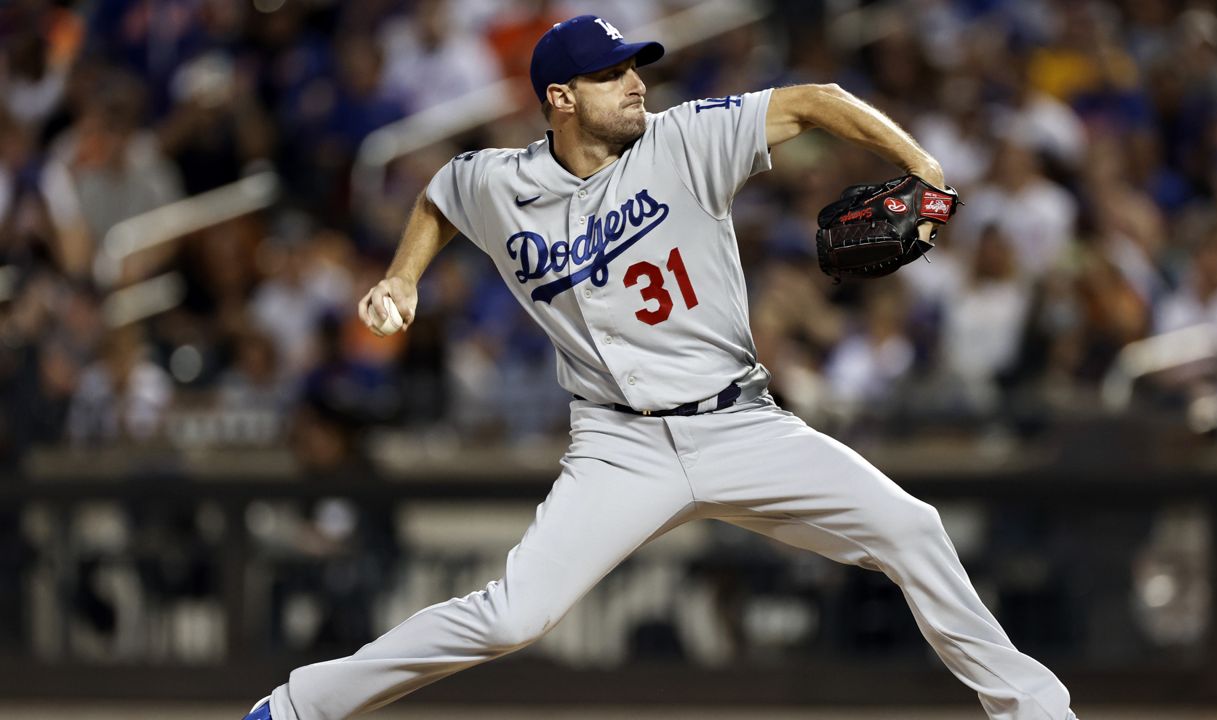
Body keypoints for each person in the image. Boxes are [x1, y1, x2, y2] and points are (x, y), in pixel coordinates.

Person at [245, 15, 1076, 720]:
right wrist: (401, 274)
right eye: (611, 75)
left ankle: (1040, 712)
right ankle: (295, 707)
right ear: (560, 100)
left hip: (740, 423)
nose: (636, 83)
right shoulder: (501, 182)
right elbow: (439, 192)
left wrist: (923, 169)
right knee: (510, 620)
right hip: (619, 448)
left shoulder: (687, 139)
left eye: (635, 67)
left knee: (912, 528)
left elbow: (818, 100)